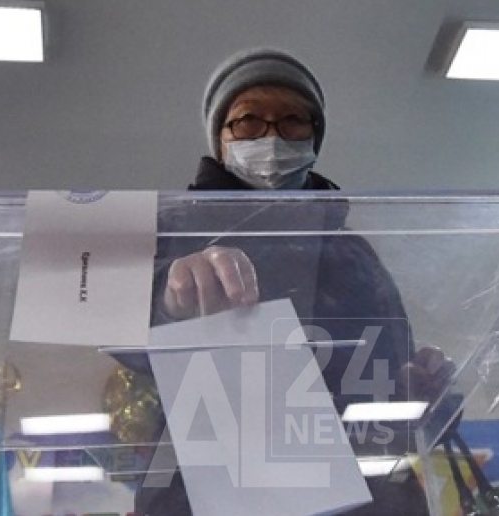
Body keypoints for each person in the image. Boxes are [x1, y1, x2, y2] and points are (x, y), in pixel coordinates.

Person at [136, 47, 454, 516]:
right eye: (248, 120)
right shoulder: (174, 228)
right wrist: (170, 300)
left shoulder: (351, 249)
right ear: (220, 139)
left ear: (314, 137)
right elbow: (115, 332)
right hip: (214, 487)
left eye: (293, 120)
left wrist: (416, 388)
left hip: (364, 490)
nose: (271, 136)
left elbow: (389, 357)